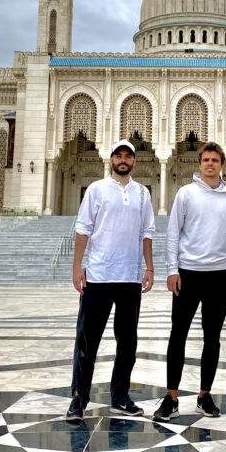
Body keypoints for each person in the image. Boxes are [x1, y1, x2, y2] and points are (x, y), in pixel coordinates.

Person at [152, 141, 226, 422]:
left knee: (212, 338)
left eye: (215, 160)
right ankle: (171, 398)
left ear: (222, 164)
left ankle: (204, 395)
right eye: (206, 160)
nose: (210, 164)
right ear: (199, 163)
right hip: (188, 273)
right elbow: (173, 234)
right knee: (177, 335)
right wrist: (172, 270)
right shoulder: (186, 193)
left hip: (218, 275)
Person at [65, 140, 155, 422]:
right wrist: (77, 266)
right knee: (87, 341)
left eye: (128, 156)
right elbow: (83, 229)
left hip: (129, 277)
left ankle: (120, 397)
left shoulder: (142, 193)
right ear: (111, 159)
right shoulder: (96, 189)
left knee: (126, 343)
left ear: (134, 162)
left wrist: (149, 267)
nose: (123, 160)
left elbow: (147, 232)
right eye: (119, 155)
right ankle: (79, 399)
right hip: (99, 276)